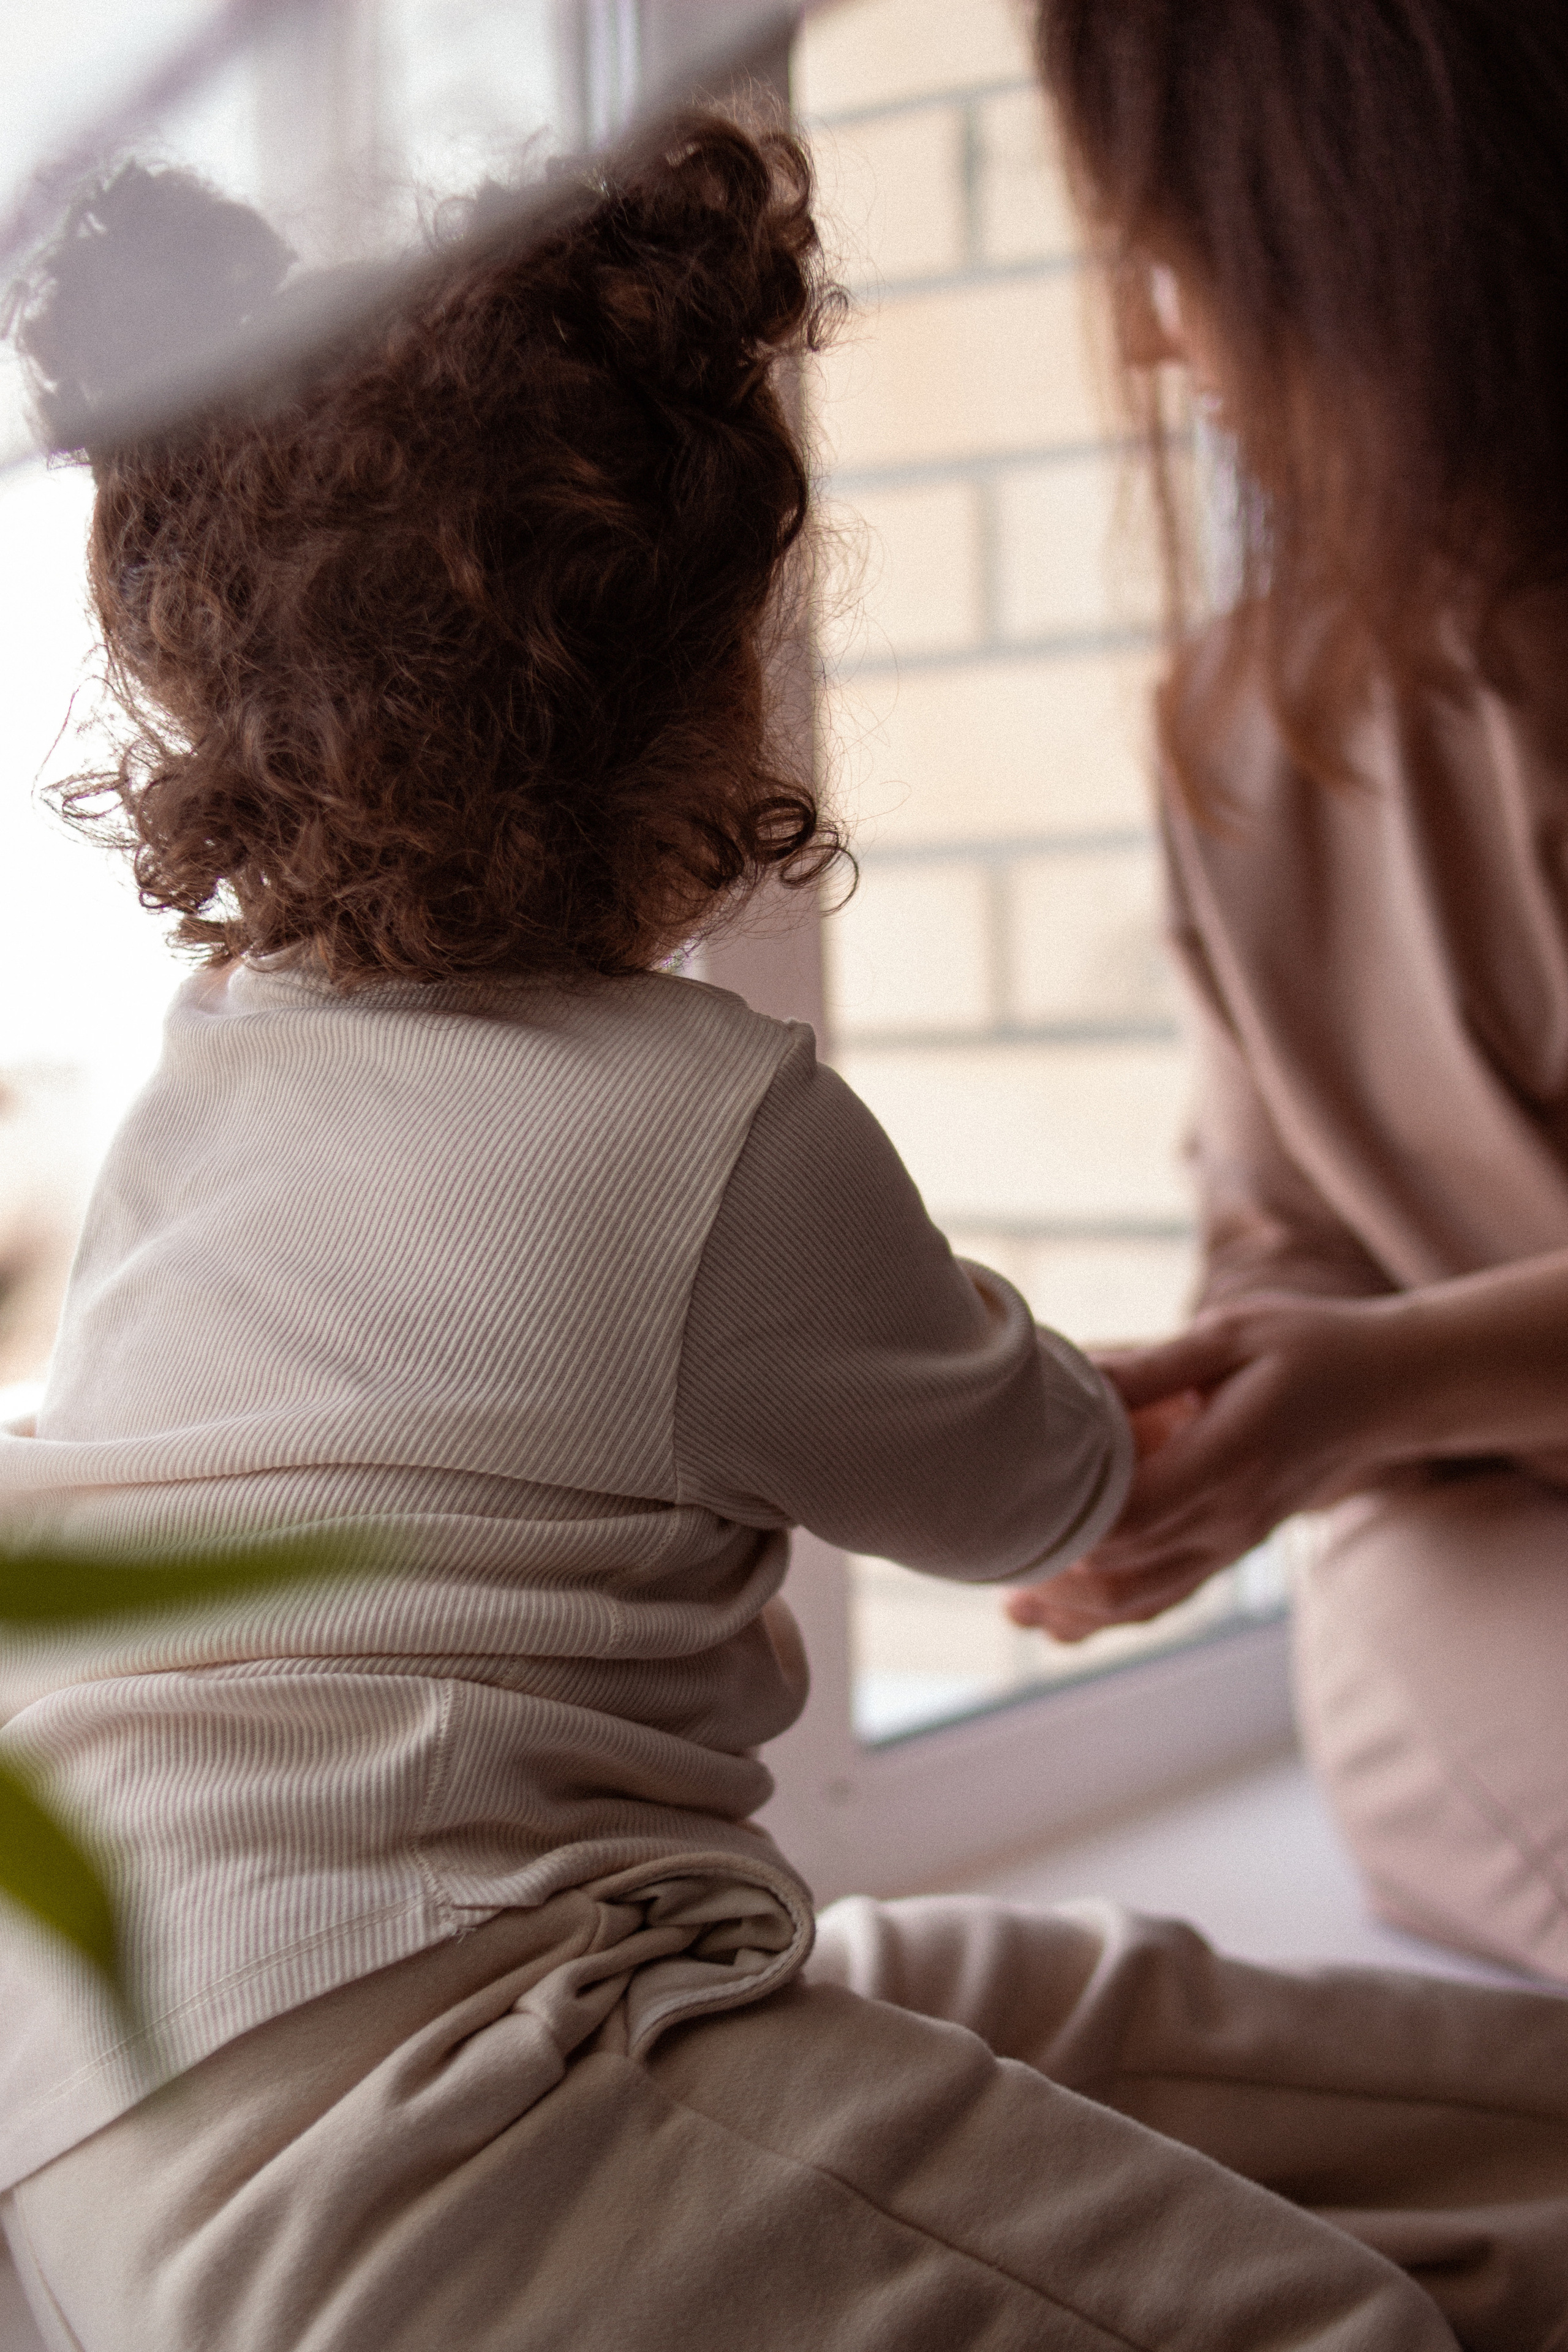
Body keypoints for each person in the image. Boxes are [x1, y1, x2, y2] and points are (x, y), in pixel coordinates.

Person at [0, 112, 1564, 2352]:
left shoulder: (214, 1075)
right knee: (1326, 2321)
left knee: (1025, 2001)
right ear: (711, 702)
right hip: (460, 2112)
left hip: (99, 2085)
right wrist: (1112, 1433)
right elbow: (1035, 1484)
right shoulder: (718, 1128)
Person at [1009, 0, 1568, 1988]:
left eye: (1180, 245)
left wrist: (1382, 1378)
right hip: (1493, 1539)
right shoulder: (1251, 724)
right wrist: (1219, 1425)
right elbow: (1292, 1232)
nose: (1152, 337)